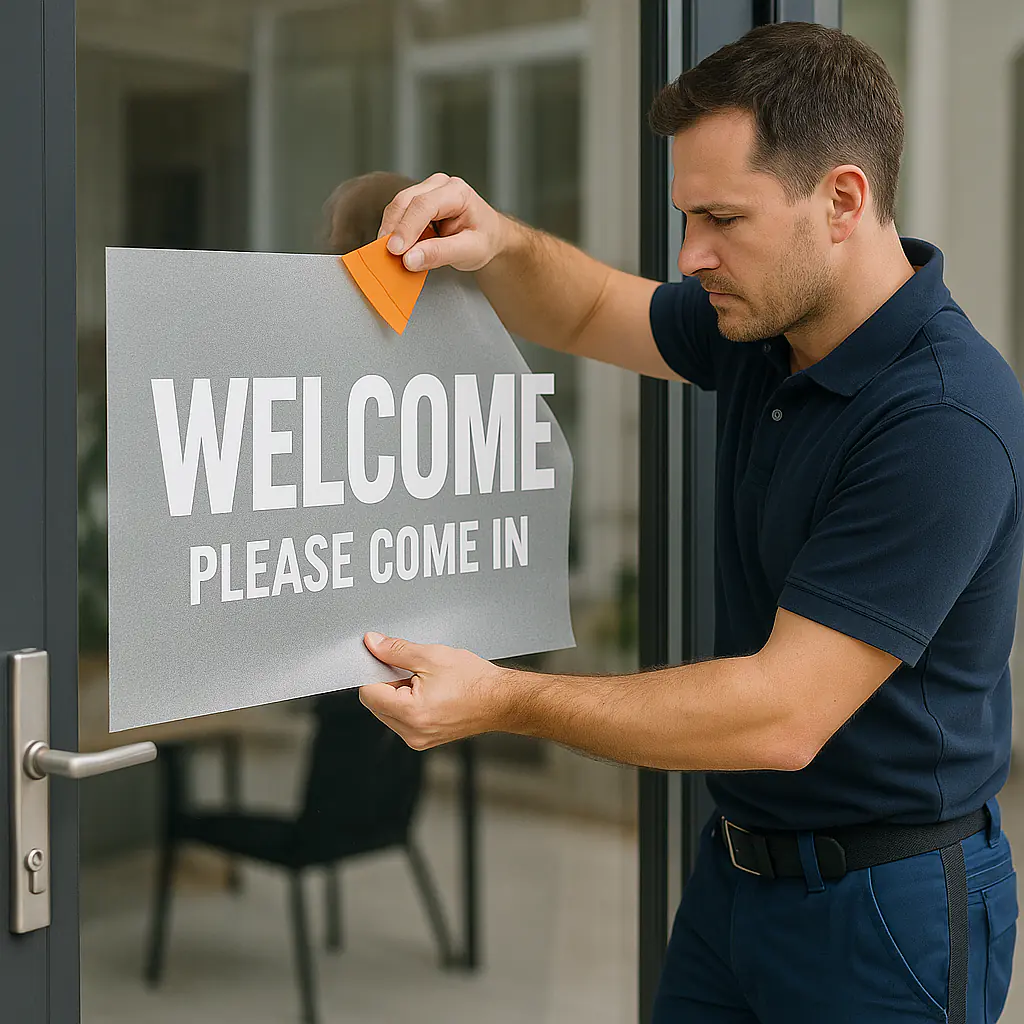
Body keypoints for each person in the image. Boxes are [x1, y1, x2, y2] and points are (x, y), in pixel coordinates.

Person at [358, 22, 1023, 1023]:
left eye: (721, 218)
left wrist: (503, 697)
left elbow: (781, 712)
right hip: (735, 878)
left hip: (883, 913)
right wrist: (495, 240)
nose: (690, 255)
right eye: (684, 217)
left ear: (841, 200)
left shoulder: (941, 415)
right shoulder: (767, 326)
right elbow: (585, 312)